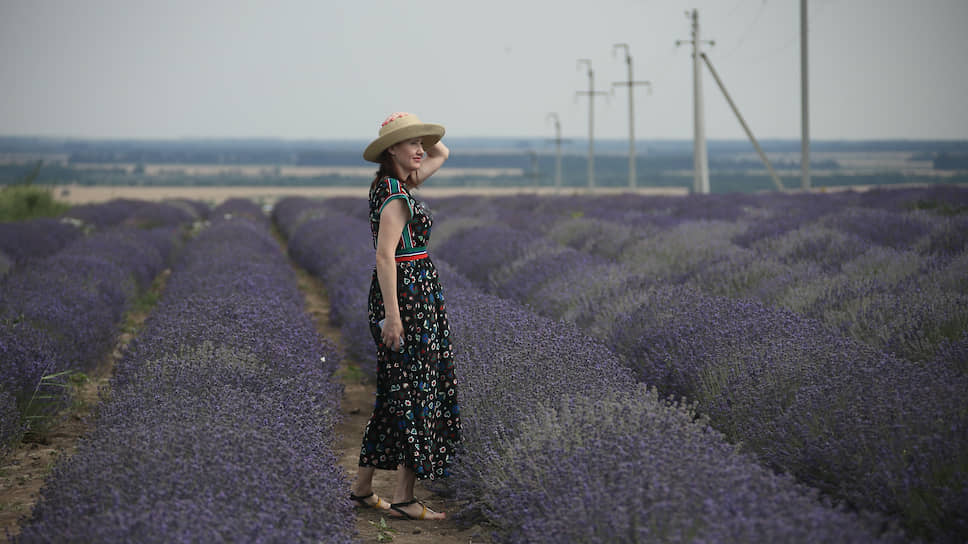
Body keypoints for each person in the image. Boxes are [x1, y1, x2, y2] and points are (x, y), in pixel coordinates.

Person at [349, 112, 462, 521]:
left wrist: (414, 134)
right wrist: (395, 316)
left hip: (411, 294)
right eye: (409, 143)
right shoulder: (397, 194)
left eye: (420, 142)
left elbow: (442, 151)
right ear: (390, 150)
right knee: (419, 390)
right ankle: (404, 498)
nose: (420, 149)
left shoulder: (392, 184)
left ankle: (362, 490)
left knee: (397, 392)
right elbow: (385, 255)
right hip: (408, 297)